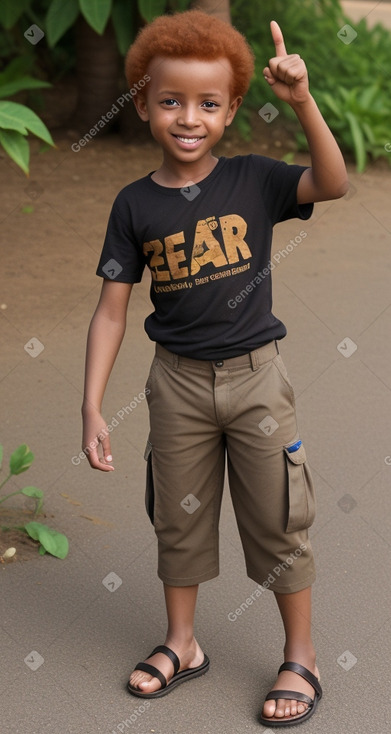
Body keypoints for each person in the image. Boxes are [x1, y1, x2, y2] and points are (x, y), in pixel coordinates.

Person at [81, 9, 348, 727]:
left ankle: (301, 656)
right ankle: (182, 643)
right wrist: (92, 404)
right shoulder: (133, 204)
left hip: (257, 378)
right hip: (174, 385)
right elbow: (111, 310)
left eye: (207, 103)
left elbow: (332, 182)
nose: (188, 118)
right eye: (170, 101)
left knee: (278, 519)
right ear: (141, 102)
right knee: (179, 520)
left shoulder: (254, 181)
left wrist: (301, 101)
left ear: (231, 108)